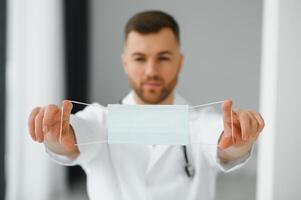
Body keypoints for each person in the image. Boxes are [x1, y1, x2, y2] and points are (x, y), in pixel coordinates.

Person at [27, 10, 264, 200]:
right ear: (125, 63)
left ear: (180, 62)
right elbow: (77, 133)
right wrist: (59, 136)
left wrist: (236, 143)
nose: (151, 71)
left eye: (163, 58)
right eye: (140, 58)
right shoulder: (101, 120)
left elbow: (220, 141)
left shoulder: (200, 122)